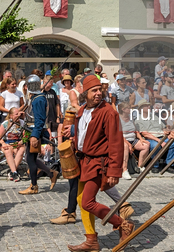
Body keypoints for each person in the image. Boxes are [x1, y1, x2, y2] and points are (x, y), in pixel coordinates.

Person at [65, 74, 134, 251]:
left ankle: (123, 224)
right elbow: (83, 134)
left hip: (99, 163)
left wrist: (113, 171)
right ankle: (91, 240)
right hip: (83, 161)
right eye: (93, 90)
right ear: (85, 93)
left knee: (87, 201)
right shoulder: (81, 111)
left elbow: (116, 143)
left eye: (99, 90)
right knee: (81, 199)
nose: (97, 93)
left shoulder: (109, 112)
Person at [19, 75, 58, 194]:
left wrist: (35, 135)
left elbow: (40, 120)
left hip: (34, 131)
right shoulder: (35, 97)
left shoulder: (39, 99)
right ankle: (51, 173)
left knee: (30, 159)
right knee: (31, 158)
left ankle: (34, 186)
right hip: (30, 129)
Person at [135, 100, 174, 173]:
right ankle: (154, 165)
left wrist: (169, 132)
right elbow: (145, 134)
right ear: (141, 109)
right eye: (146, 105)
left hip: (162, 136)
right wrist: (160, 141)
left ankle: (169, 164)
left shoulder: (154, 116)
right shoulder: (138, 120)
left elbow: (163, 128)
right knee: (155, 145)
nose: (149, 106)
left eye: (149, 105)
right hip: (151, 138)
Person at [119, 102, 149, 179]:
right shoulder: (118, 119)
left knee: (146, 145)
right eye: (128, 108)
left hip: (133, 139)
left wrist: (141, 139)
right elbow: (119, 134)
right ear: (123, 109)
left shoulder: (131, 118)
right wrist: (129, 144)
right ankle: (124, 170)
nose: (130, 110)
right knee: (125, 147)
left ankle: (140, 166)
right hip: (122, 139)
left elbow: (135, 130)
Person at [0, 108, 27, 182]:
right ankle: (14, 172)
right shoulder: (5, 124)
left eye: (19, 114)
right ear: (11, 116)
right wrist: (3, 143)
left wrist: (22, 141)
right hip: (7, 142)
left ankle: (12, 172)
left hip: (17, 143)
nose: (18, 115)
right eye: (16, 114)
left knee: (22, 150)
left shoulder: (22, 122)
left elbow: (25, 136)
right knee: (7, 151)